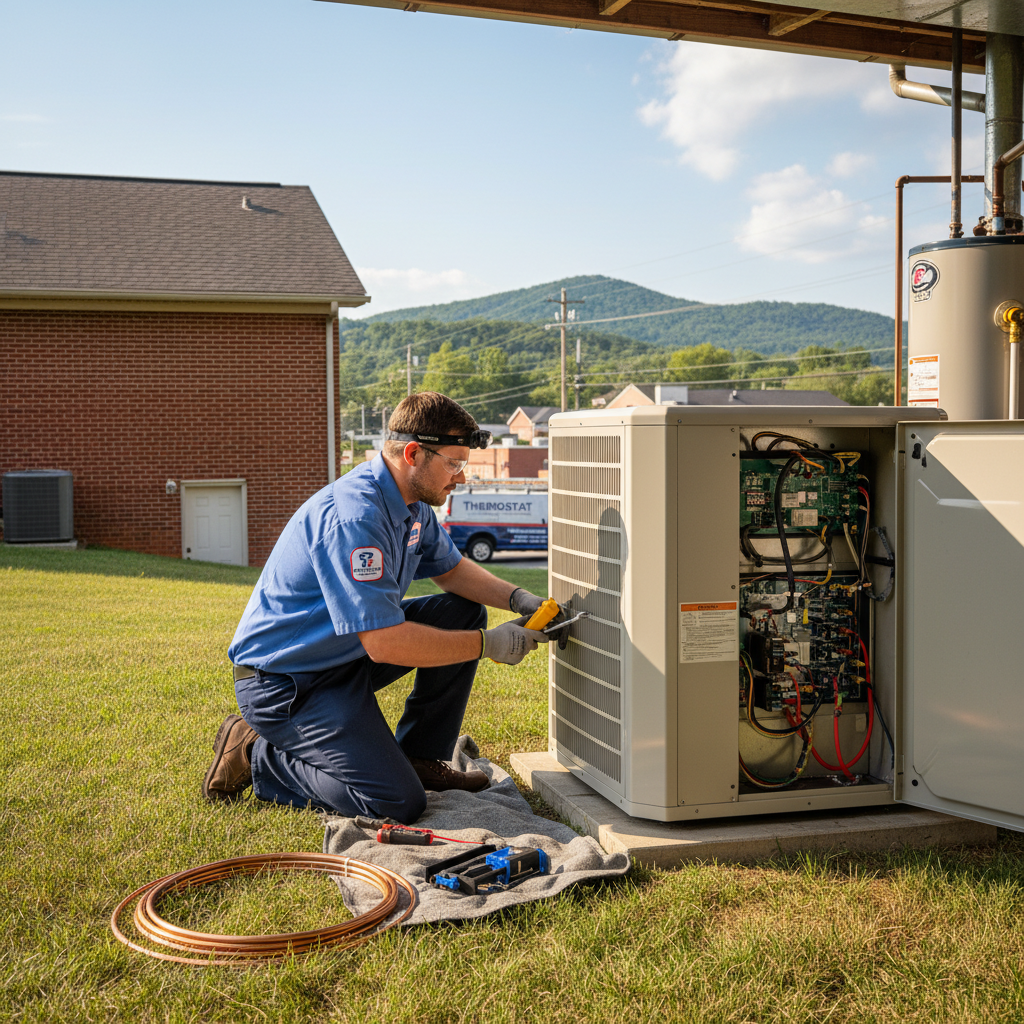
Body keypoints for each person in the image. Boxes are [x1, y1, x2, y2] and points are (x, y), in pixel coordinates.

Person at [203, 392, 561, 824]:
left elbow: (451, 571)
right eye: (454, 463)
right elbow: (386, 643)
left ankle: (421, 757)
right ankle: (256, 752)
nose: (461, 478)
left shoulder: (411, 505)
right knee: (396, 802)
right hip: (286, 684)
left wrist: (518, 598)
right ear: (413, 453)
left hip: (342, 658)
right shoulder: (356, 518)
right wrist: (490, 645)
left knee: (462, 611)